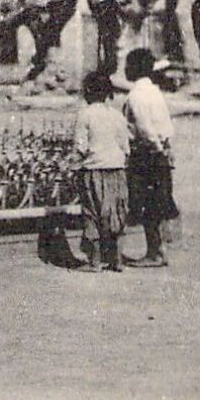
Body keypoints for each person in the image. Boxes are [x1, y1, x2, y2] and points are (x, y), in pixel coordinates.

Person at [123, 47, 178, 267]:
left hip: (146, 154)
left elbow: (144, 128)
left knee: (147, 204)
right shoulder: (155, 92)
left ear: (134, 68)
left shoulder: (136, 95)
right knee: (160, 202)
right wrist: (165, 147)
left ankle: (154, 252)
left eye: (127, 65)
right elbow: (165, 124)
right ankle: (159, 249)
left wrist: (154, 146)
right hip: (161, 152)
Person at [73, 70, 130, 272]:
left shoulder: (85, 115)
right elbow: (126, 146)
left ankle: (94, 261)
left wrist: (73, 167)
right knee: (117, 213)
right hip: (117, 169)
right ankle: (117, 260)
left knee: (92, 214)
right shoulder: (117, 116)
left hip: (94, 170)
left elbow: (80, 147)